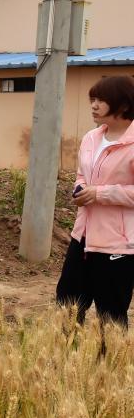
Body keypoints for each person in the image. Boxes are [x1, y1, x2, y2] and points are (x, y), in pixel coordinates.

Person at [56, 76, 134, 326]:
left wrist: (100, 193)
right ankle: (67, 351)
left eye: (101, 100)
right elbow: (83, 175)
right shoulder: (91, 137)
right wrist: (79, 190)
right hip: (83, 235)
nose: (94, 105)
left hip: (117, 243)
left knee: (110, 315)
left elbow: (102, 189)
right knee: (67, 305)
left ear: (123, 105)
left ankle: (109, 354)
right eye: (92, 99)